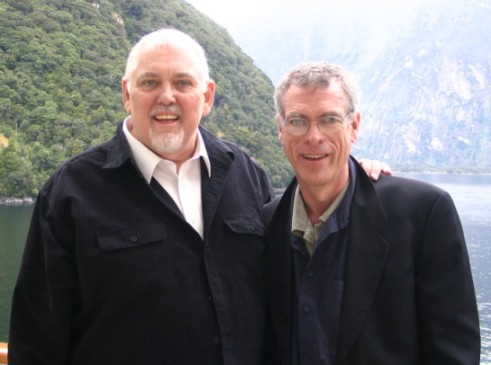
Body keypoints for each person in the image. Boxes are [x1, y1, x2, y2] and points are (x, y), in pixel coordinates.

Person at [8, 28, 387, 364]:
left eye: (183, 83)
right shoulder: (70, 193)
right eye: (150, 82)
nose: (167, 97)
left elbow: (298, 269)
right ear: (127, 93)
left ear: (206, 97)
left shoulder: (245, 173)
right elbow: (37, 339)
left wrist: (351, 175)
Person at [263, 61, 481, 365]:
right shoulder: (266, 225)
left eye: (329, 119)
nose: (314, 136)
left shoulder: (422, 213)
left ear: (354, 127)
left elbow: (454, 350)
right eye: (298, 121)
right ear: (280, 130)